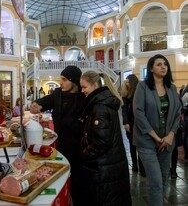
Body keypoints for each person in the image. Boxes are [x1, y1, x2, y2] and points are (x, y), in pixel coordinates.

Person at [73, 70, 131, 206]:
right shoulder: (101, 102)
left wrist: (83, 155)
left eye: (84, 87)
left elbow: (101, 141)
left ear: (95, 85)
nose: (82, 91)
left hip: (102, 169)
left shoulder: (100, 107)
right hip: (108, 166)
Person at [30, 65, 86, 203]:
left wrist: (68, 121)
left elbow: (83, 125)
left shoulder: (84, 98)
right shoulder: (58, 94)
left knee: (79, 187)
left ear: (74, 81)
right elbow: (45, 101)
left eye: (64, 79)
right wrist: (36, 104)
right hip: (62, 147)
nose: (61, 82)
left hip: (80, 150)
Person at [133, 54, 181, 206]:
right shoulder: (143, 87)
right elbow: (138, 112)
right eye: (159, 64)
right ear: (151, 68)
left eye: (165, 64)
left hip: (167, 141)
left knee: (164, 179)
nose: (163, 67)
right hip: (147, 140)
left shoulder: (172, 88)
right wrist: (155, 136)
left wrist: (170, 135)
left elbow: (177, 112)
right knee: (155, 181)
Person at [121, 74, 146, 176]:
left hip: (139, 122)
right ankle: (135, 166)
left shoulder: (140, 93)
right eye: (125, 82)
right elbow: (124, 110)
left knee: (140, 146)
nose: (126, 84)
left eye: (128, 82)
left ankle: (142, 167)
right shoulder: (125, 94)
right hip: (130, 123)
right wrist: (126, 122)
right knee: (132, 145)